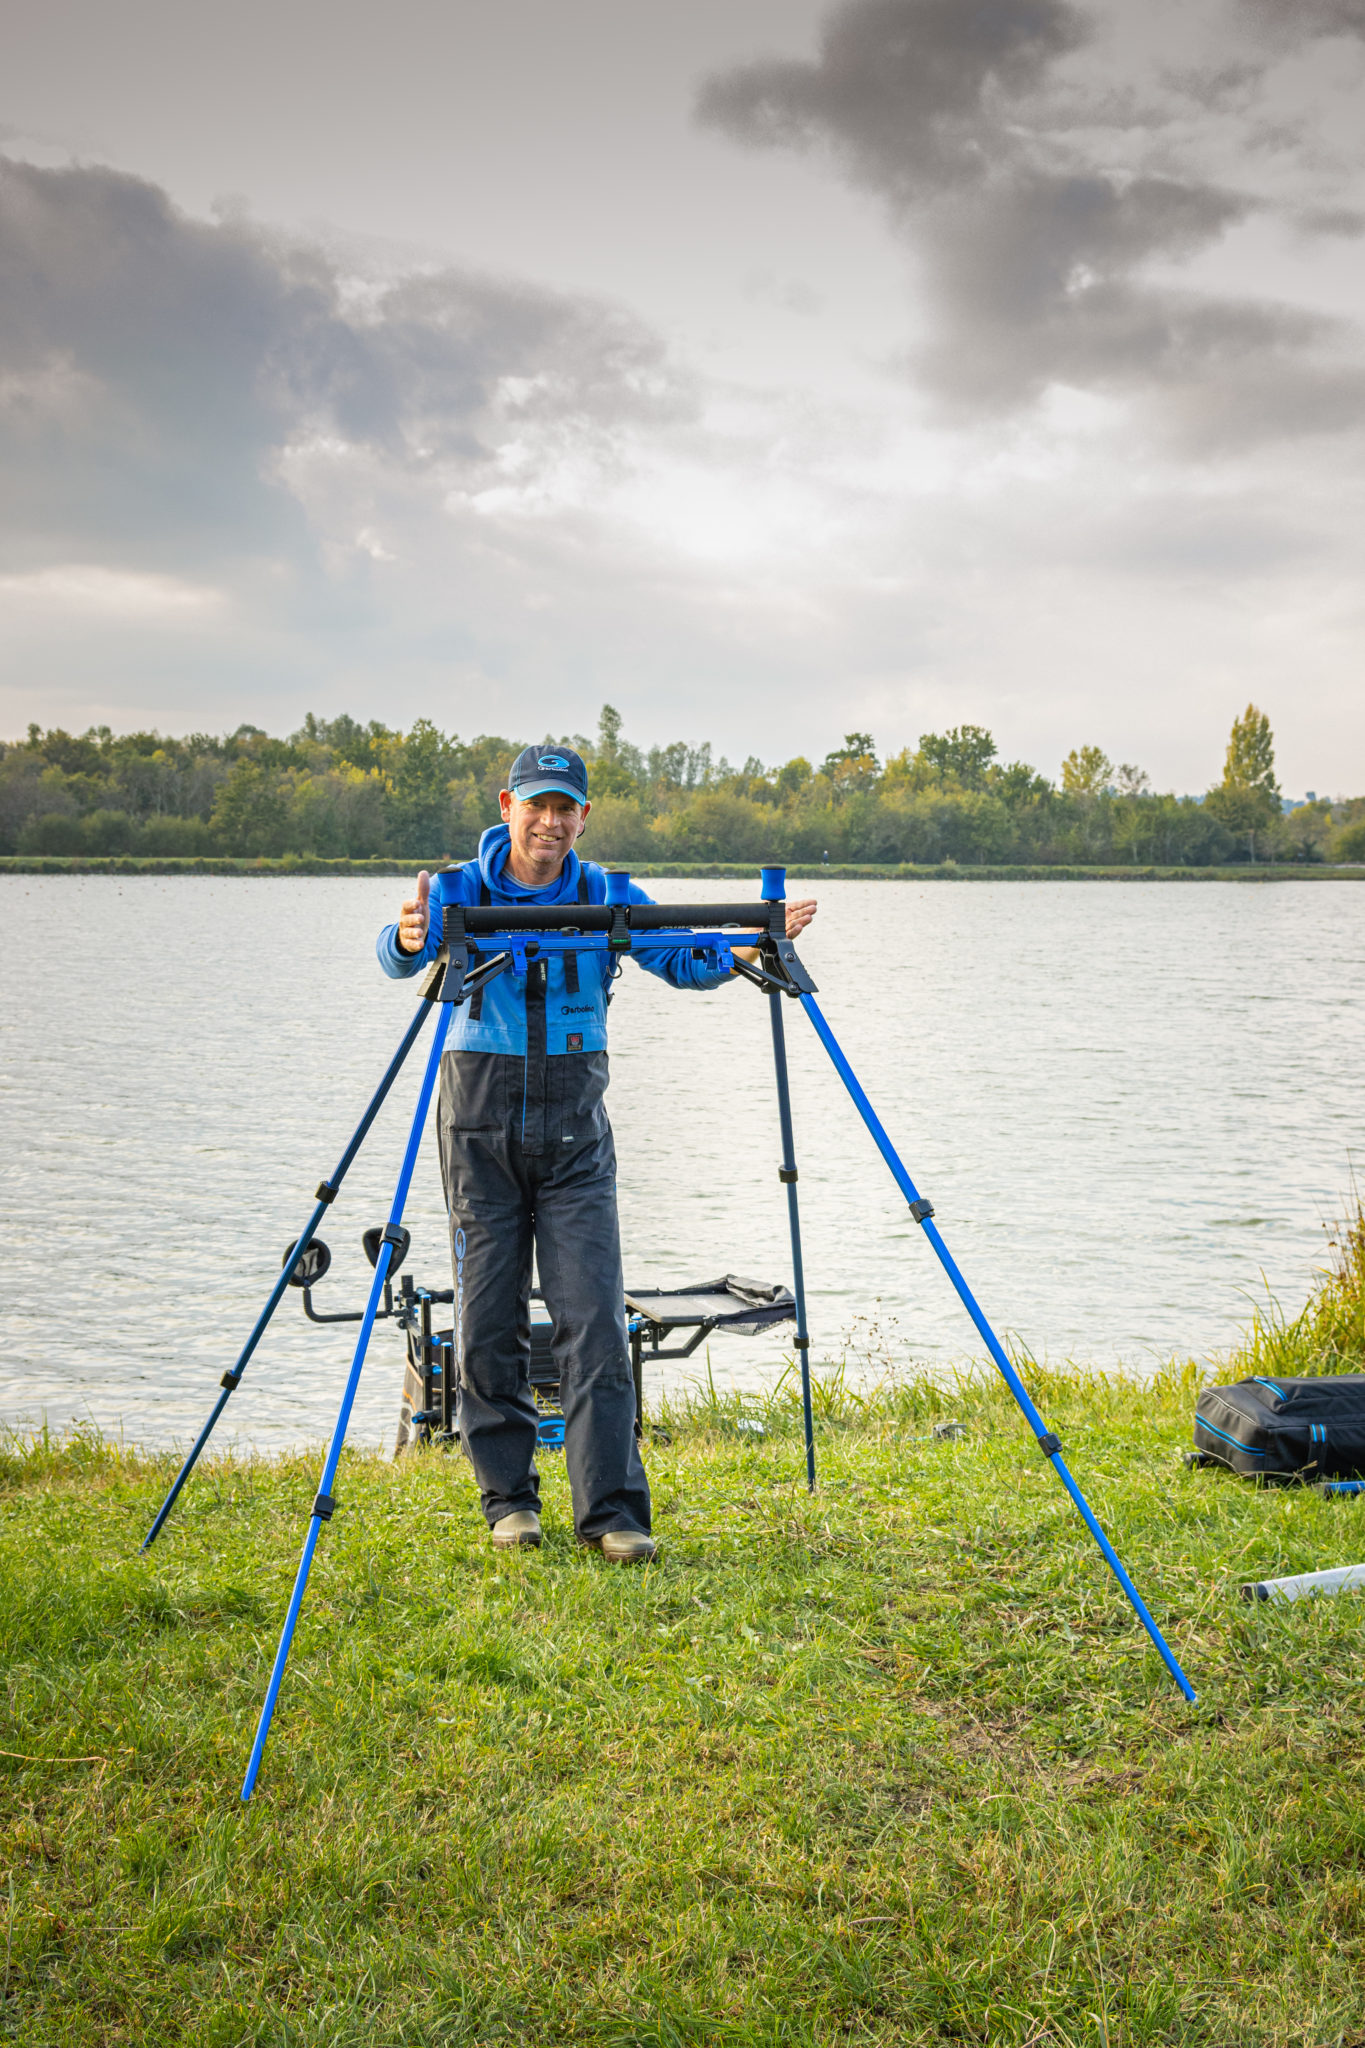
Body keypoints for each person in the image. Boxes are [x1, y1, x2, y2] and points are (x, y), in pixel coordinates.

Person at [377, 742, 816, 1562]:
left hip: (576, 1126)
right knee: (485, 1324)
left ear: (583, 815)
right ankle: (509, 1501)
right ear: (506, 806)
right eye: (535, 805)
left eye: (564, 808)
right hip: (479, 1120)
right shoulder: (454, 889)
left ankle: (612, 1514)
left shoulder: (609, 893)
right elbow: (399, 949)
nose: (549, 822)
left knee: (595, 1323)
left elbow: (676, 953)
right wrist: (407, 940)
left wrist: (749, 946)